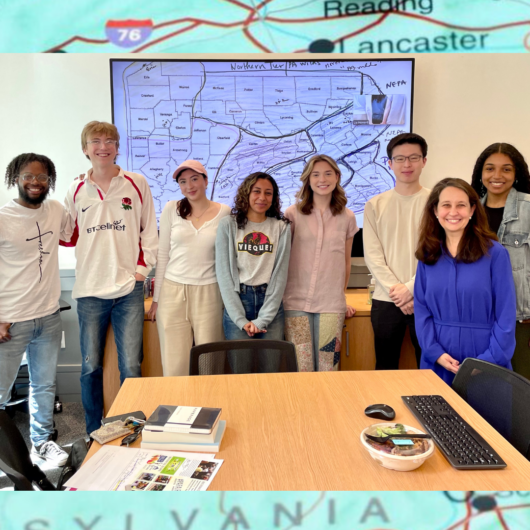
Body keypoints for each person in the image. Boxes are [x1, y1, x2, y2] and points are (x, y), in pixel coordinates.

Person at [62, 121, 158, 435]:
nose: (103, 146)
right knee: (90, 368)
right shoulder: (76, 190)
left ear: (117, 147)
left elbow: (149, 232)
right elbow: (66, 235)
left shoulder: (137, 183)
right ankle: (93, 432)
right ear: (85, 148)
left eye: (109, 141)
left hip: (128, 290)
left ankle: (134, 429)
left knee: (131, 367)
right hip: (89, 291)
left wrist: (140, 273)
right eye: (95, 141)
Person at [0, 153, 70, 466]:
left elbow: (76, 234)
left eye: (42, 177)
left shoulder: (56, 210)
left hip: (49, 315)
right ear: (15, 177)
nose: (35, 182)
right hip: (11, 320)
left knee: (44, 385)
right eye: (28, 175)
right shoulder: (3, 217)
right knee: (0, 391)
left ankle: (42, 443)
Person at [414, 178, 516, 385]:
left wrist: (487, 361)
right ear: (435, 210)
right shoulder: (428, 254)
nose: (453, 212)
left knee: (486, 418)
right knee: (434, 417)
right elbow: (422, 310)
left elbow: (506, 315)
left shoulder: (495, 254)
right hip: (437, 362)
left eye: (461, 205)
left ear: (472, 210)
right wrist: (435, 353)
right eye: (446, 205)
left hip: (486, 363)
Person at [147, 160, 230, 376]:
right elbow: (163, 254)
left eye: (194, 179)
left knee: (210, 363)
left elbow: (228, 259)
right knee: (175, 364)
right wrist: (156, 300)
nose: (189, 186)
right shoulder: (171, 209)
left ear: (205, 180)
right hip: (172, 293)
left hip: (210, 292)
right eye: (183, 181)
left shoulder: (225, 213)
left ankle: (212, 407)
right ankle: (177, 407)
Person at [283, 155, 359, 371]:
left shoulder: (348, 217)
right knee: (301, 367)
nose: (322, 179)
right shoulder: (292, 214)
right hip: (295, 303)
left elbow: (345, 262)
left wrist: (342, 298)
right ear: (308, 179)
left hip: (331, 305)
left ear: (337, 177)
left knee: (329, 366)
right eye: (315, 174)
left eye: (328, 173)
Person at [363, 132, 430, 370]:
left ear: (424, 161)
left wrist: (410, 289)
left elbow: (436, 253)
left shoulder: (436, 202)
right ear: (389, 163)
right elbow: (372, 256)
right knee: (385, 364)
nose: (407, 164)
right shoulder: (375, 204)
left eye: (414, 157)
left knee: (430, 364)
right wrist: (399, 293)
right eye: (400, 158)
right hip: (385, 299)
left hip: (425, 296)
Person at [215, 172, 291, 373]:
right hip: (238, 301)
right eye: (256, 191)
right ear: (246, 193)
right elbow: (223, 273)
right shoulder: (228, 225)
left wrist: (263, 319)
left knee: (270, 372)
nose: (262, 197)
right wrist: (240, 319)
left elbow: (280, 275)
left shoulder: (281, 227)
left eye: (268, 193)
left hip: (270, 304)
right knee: (240, 373)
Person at [471, 143, 530, 380]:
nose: (497, 176)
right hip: (479, 318)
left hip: (520, 319)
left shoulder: (528, 208)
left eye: (506, 169)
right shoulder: (469, 211)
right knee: (484, 391)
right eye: (490, 169)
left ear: (516, 174)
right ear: (480, 173)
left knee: (520, 393)